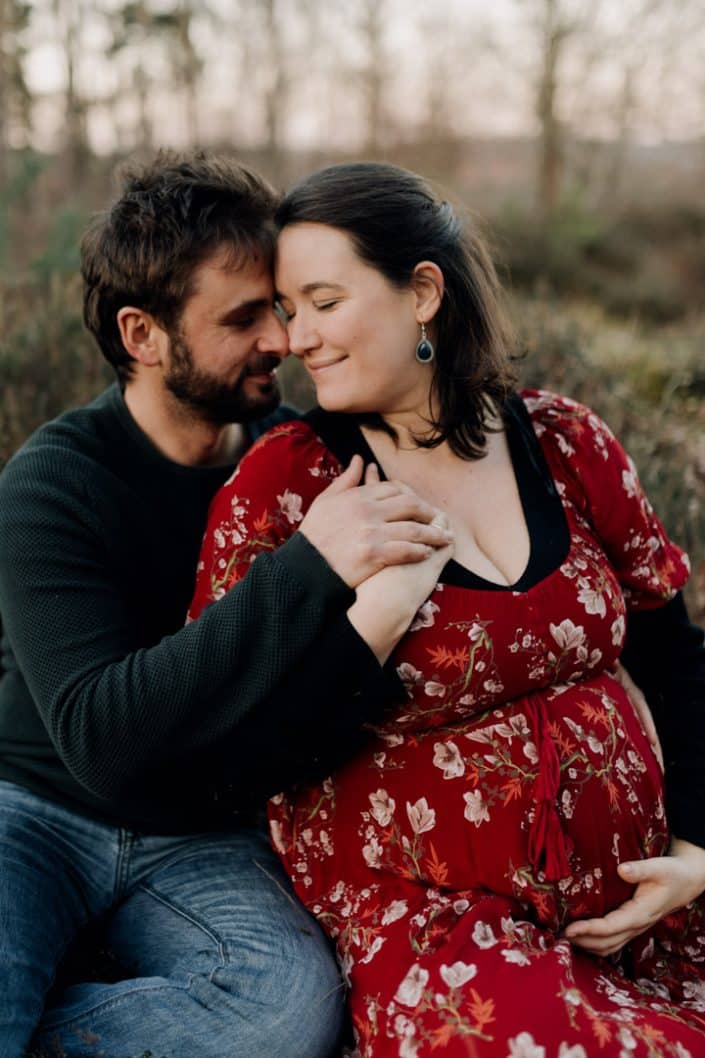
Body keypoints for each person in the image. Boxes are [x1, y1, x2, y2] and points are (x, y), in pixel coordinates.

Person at [189, 161, 705, 1057]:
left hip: (641, 905)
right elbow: (233, 743)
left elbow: (675, 656)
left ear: (422, 292)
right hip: (440, 929)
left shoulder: (565, 440)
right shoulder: (290, 485)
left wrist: (697, 852)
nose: (296, 337)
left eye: (323, 301)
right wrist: (369, 622)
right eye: (286, 307)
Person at [0, 154, 454, 1058]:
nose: (282, 342)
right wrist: (310, 564)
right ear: (144, 334)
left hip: (206, 833)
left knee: (285, 1015)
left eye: (280, 310)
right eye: (243, 319)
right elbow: (102, 734)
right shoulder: (54, 485)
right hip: (34, 811)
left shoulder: (298, 462)